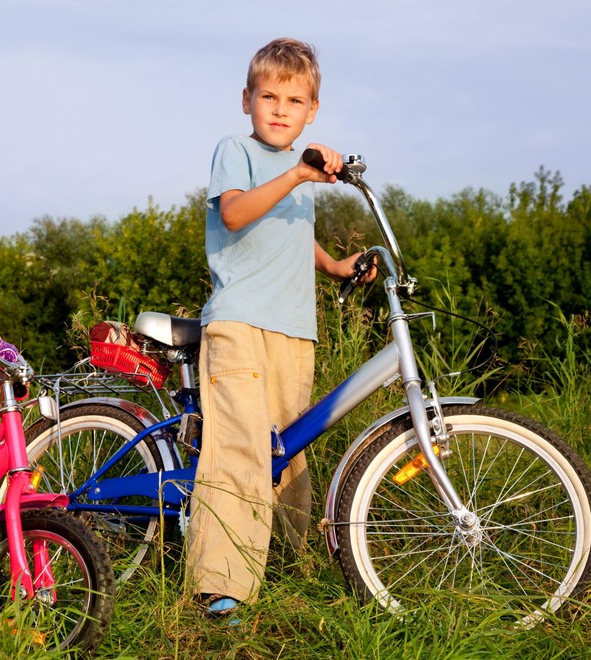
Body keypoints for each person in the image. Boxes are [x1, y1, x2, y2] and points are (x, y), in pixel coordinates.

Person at [185, 38, 373, 615]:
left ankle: (294, 567)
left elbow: (291, 233)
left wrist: (337, 266)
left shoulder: (298, 173)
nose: (280, 108)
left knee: (291, 450)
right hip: (239, 322)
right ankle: (220, 582)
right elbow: (238, 212)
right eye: (268, 96)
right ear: (247, 99)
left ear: (311, 110)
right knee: (239, 451)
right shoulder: (236, 150)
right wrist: (297, 175)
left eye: (294, 100)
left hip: (294, 329)